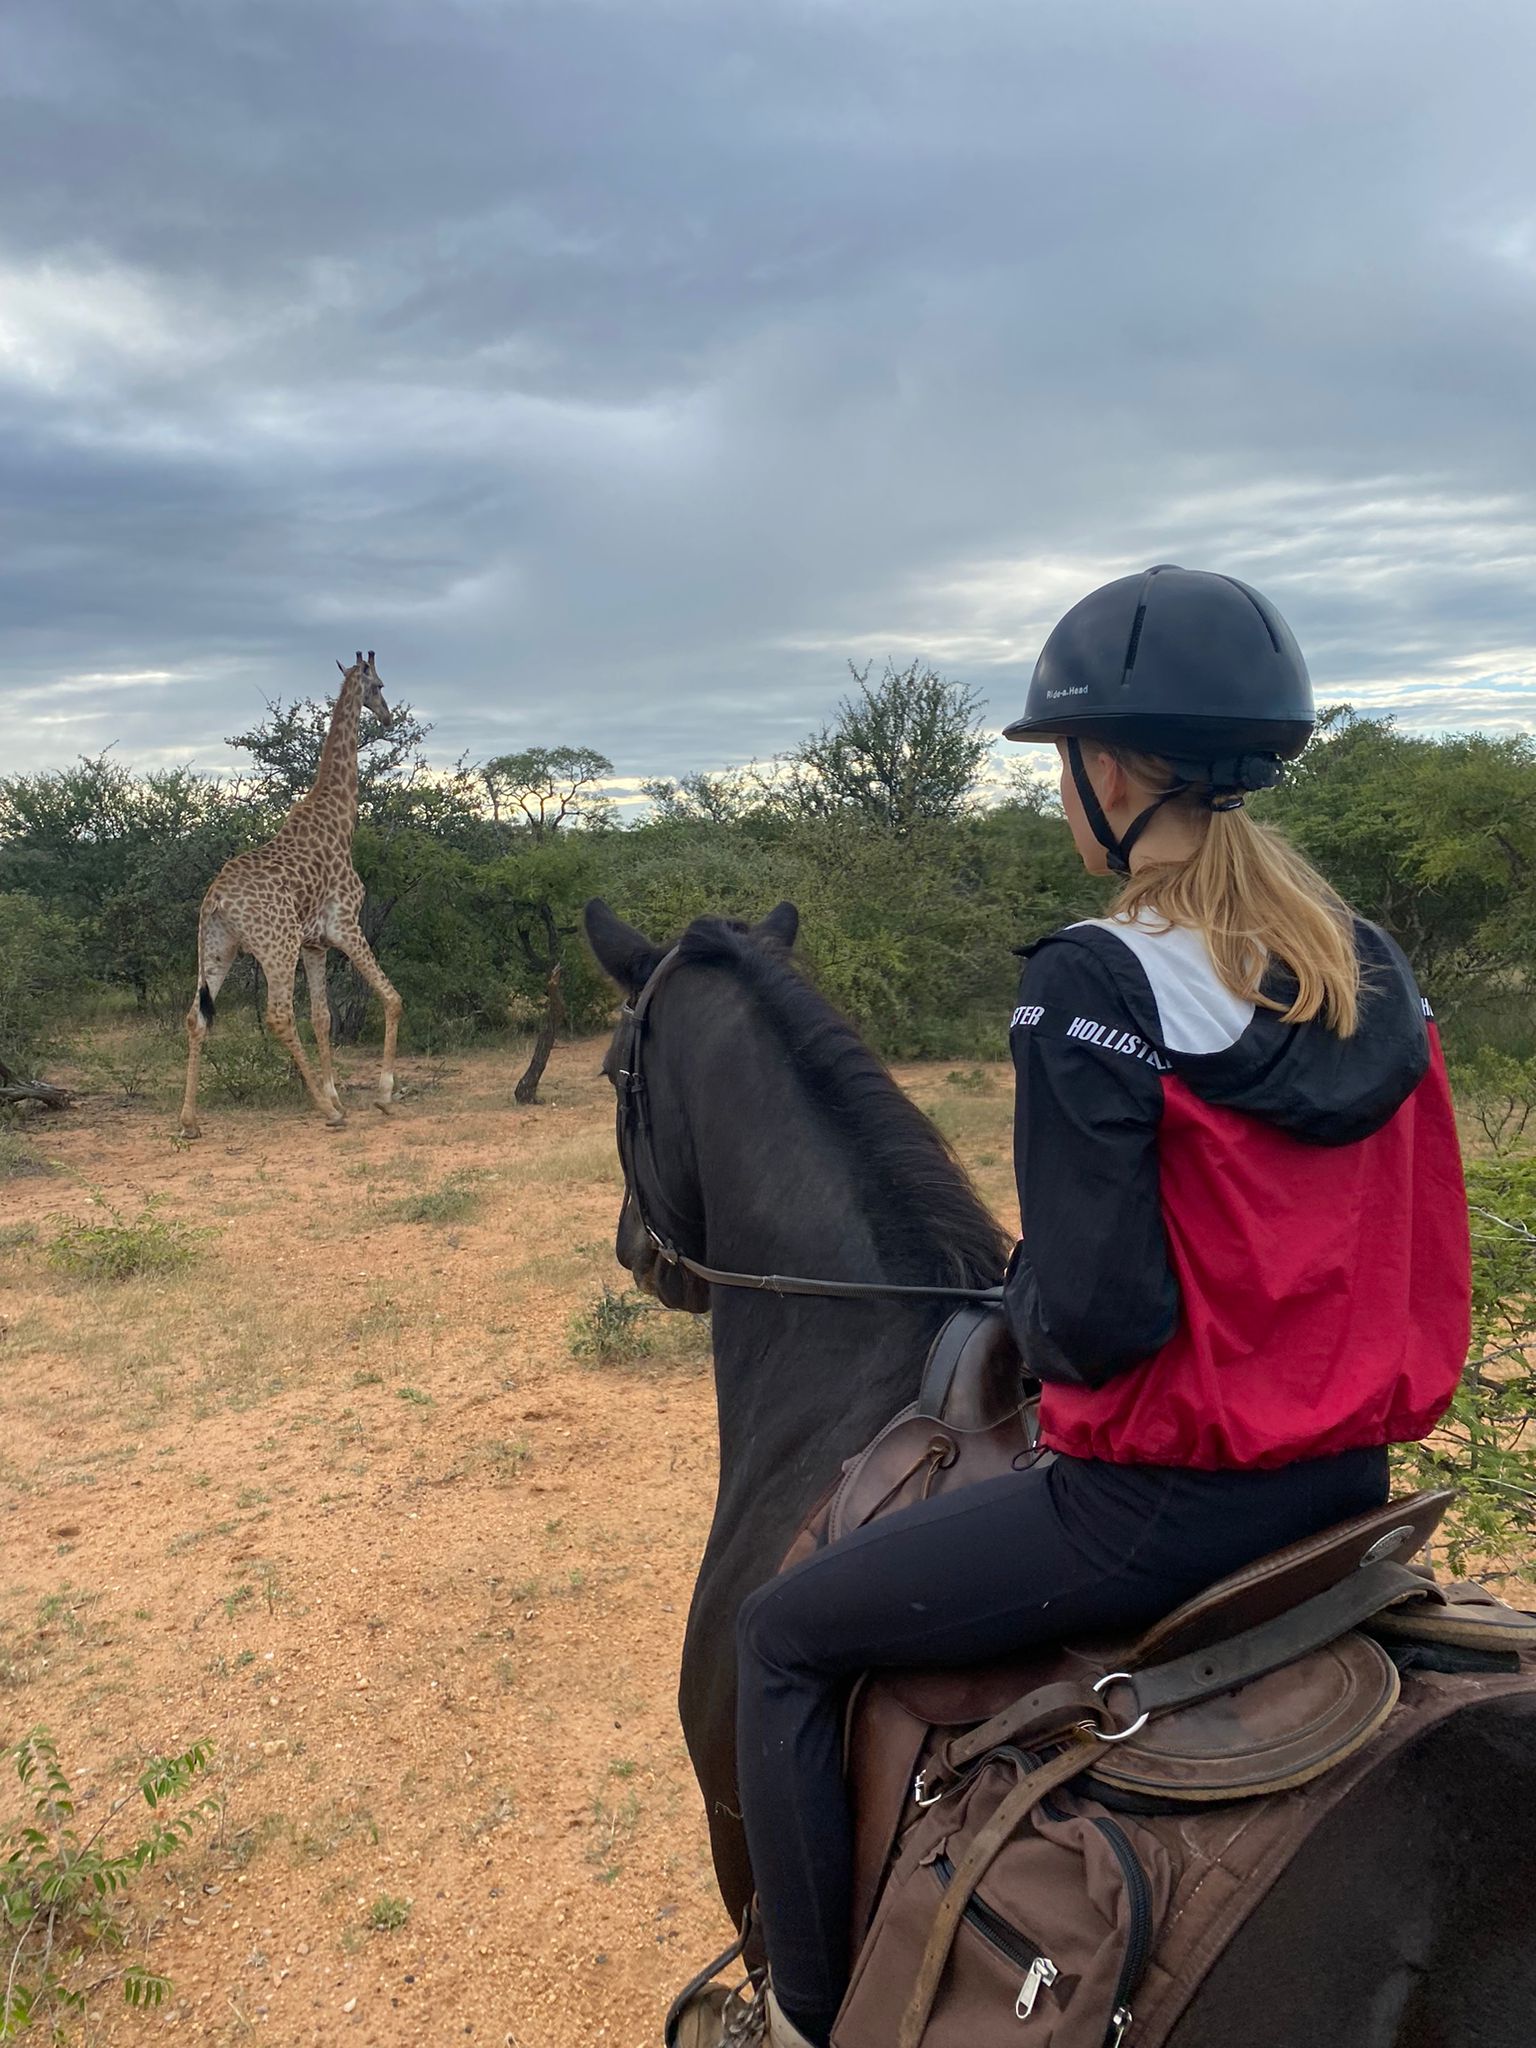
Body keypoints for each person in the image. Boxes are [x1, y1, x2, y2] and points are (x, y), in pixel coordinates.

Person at [706, 566, 1471, 2048]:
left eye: (1065, 764)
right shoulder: (1369, 972)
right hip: (1352, 1495)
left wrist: (1037, 1294)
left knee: (786, 1640)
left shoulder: (1096, 980)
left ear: (1107, 771)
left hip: (1157, 1516)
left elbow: (1098, 1326)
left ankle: (803, 2018)